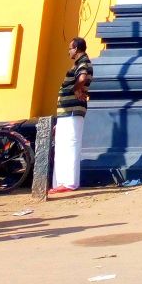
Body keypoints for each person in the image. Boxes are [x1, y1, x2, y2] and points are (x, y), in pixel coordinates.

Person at [52, 37, 93, 193]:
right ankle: (61, 182)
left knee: (70, 145)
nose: (69, 51)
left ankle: (68, 182)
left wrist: (76, 89)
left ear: (76, 49)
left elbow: (82, 77)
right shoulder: (78, 63)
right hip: (66, 111)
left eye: (70, 48)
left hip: (73, 110)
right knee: (63, 146)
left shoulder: (83, 62)